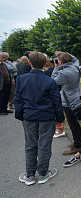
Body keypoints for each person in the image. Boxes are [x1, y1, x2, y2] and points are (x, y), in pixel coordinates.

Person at [15, 51, 64, 185]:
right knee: (44, 144)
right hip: (46, 117)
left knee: (30, 145)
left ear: (30, 63)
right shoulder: (49, 81)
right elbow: (56, 101)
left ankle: (30, 174)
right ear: (44, 64)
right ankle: (43, 173)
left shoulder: (21, 79)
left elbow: (18, 100)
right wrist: (60, 118)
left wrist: (20, 115)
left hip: (29, 116)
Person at [51, 51, 81, 155]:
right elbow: (75, 59)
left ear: (60, 61)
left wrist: (56, 68)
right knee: (75, 123)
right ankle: (78, 141)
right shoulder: (75, 67)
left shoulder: (63, 73)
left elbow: (52, 82)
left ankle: (77, 145)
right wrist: (64, 53)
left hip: (68, 101)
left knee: (72, 123)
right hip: (76, 97)